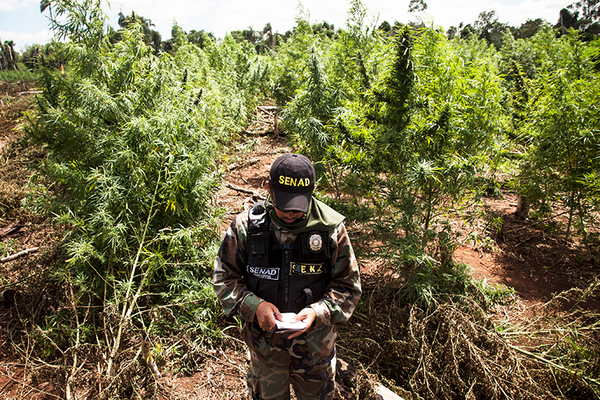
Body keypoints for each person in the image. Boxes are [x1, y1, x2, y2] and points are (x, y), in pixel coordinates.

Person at [213, 153, 361, 400]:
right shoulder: (245, 227)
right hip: (265, 353)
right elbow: (223, 278)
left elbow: (349, 286)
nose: (290, 213)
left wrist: (317, 312)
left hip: (315, 353)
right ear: (269, 189)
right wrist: (255, 306)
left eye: (297, 206)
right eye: (283, 205)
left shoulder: (330, 230)